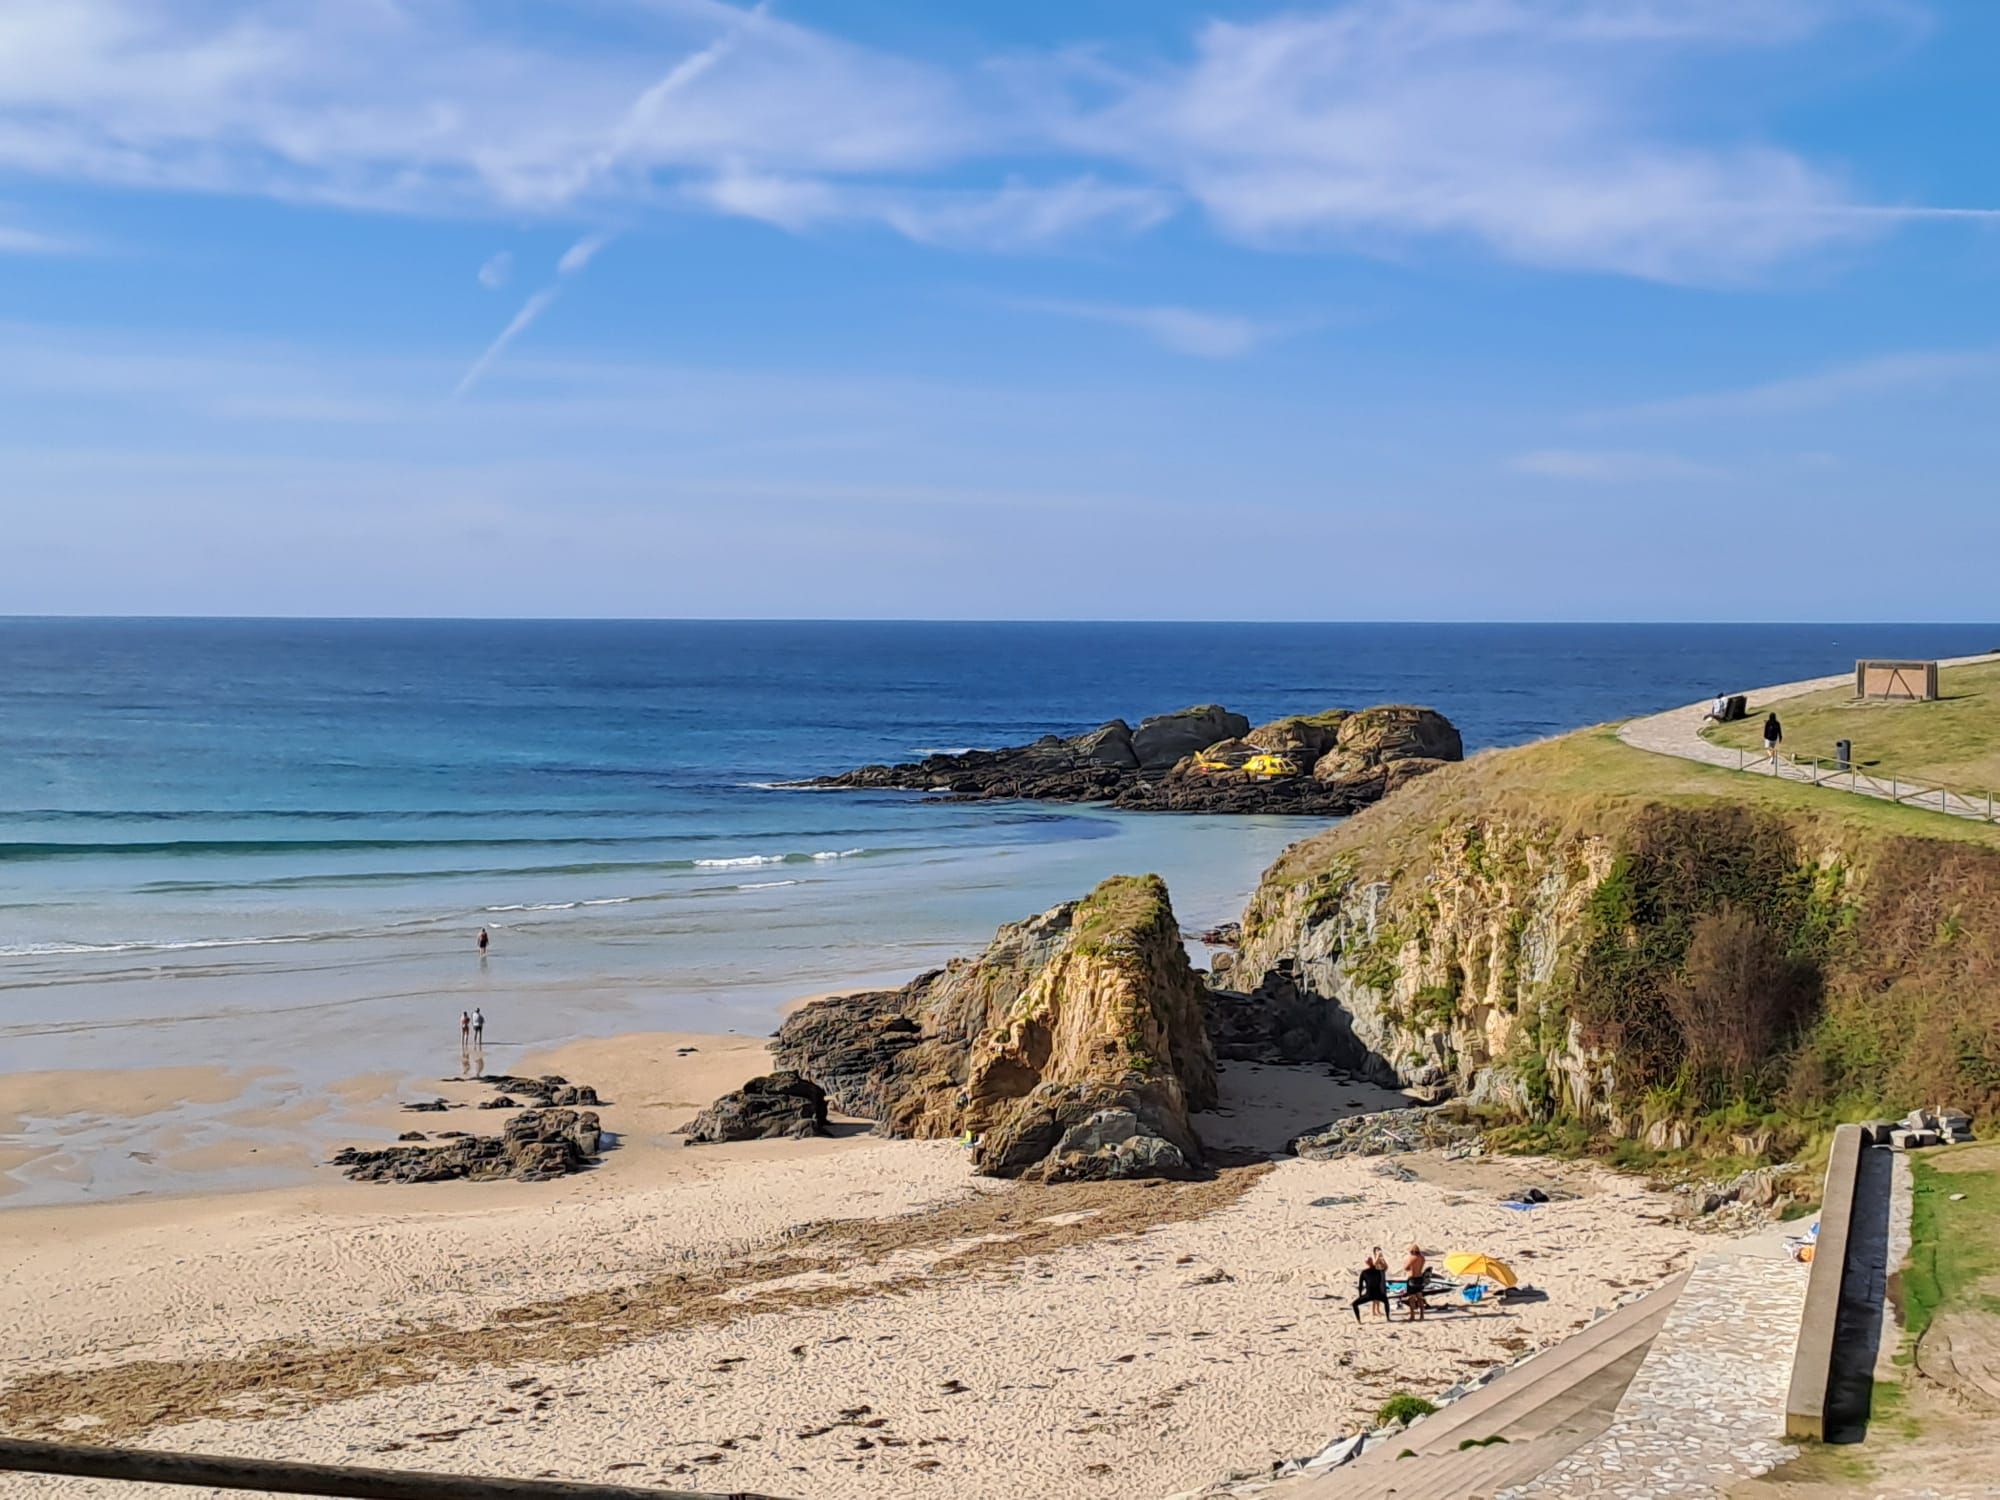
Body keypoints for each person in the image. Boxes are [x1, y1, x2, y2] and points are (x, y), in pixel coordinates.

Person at [1351, 1246, 1391, 1323]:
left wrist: (1360, 1296)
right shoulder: (1377, 1271)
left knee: (1354, 1304)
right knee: (1386, 1301)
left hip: (1369, 1294)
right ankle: (1387, 1317)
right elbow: (1381, 1269)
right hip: (1377, 1293)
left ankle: (1359, 1321)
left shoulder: (1364, 1272)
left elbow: (1360, 1285)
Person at [1400, 1243, 1430, 1322]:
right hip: (1419, 1278)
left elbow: (1406, 1268)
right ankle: (1422, 1316)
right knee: (1420, 1298)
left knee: (1412, 1299)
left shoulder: (1411, 1258)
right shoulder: (1422, 1258)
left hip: (1412, 1279)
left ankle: (1412, 1316)